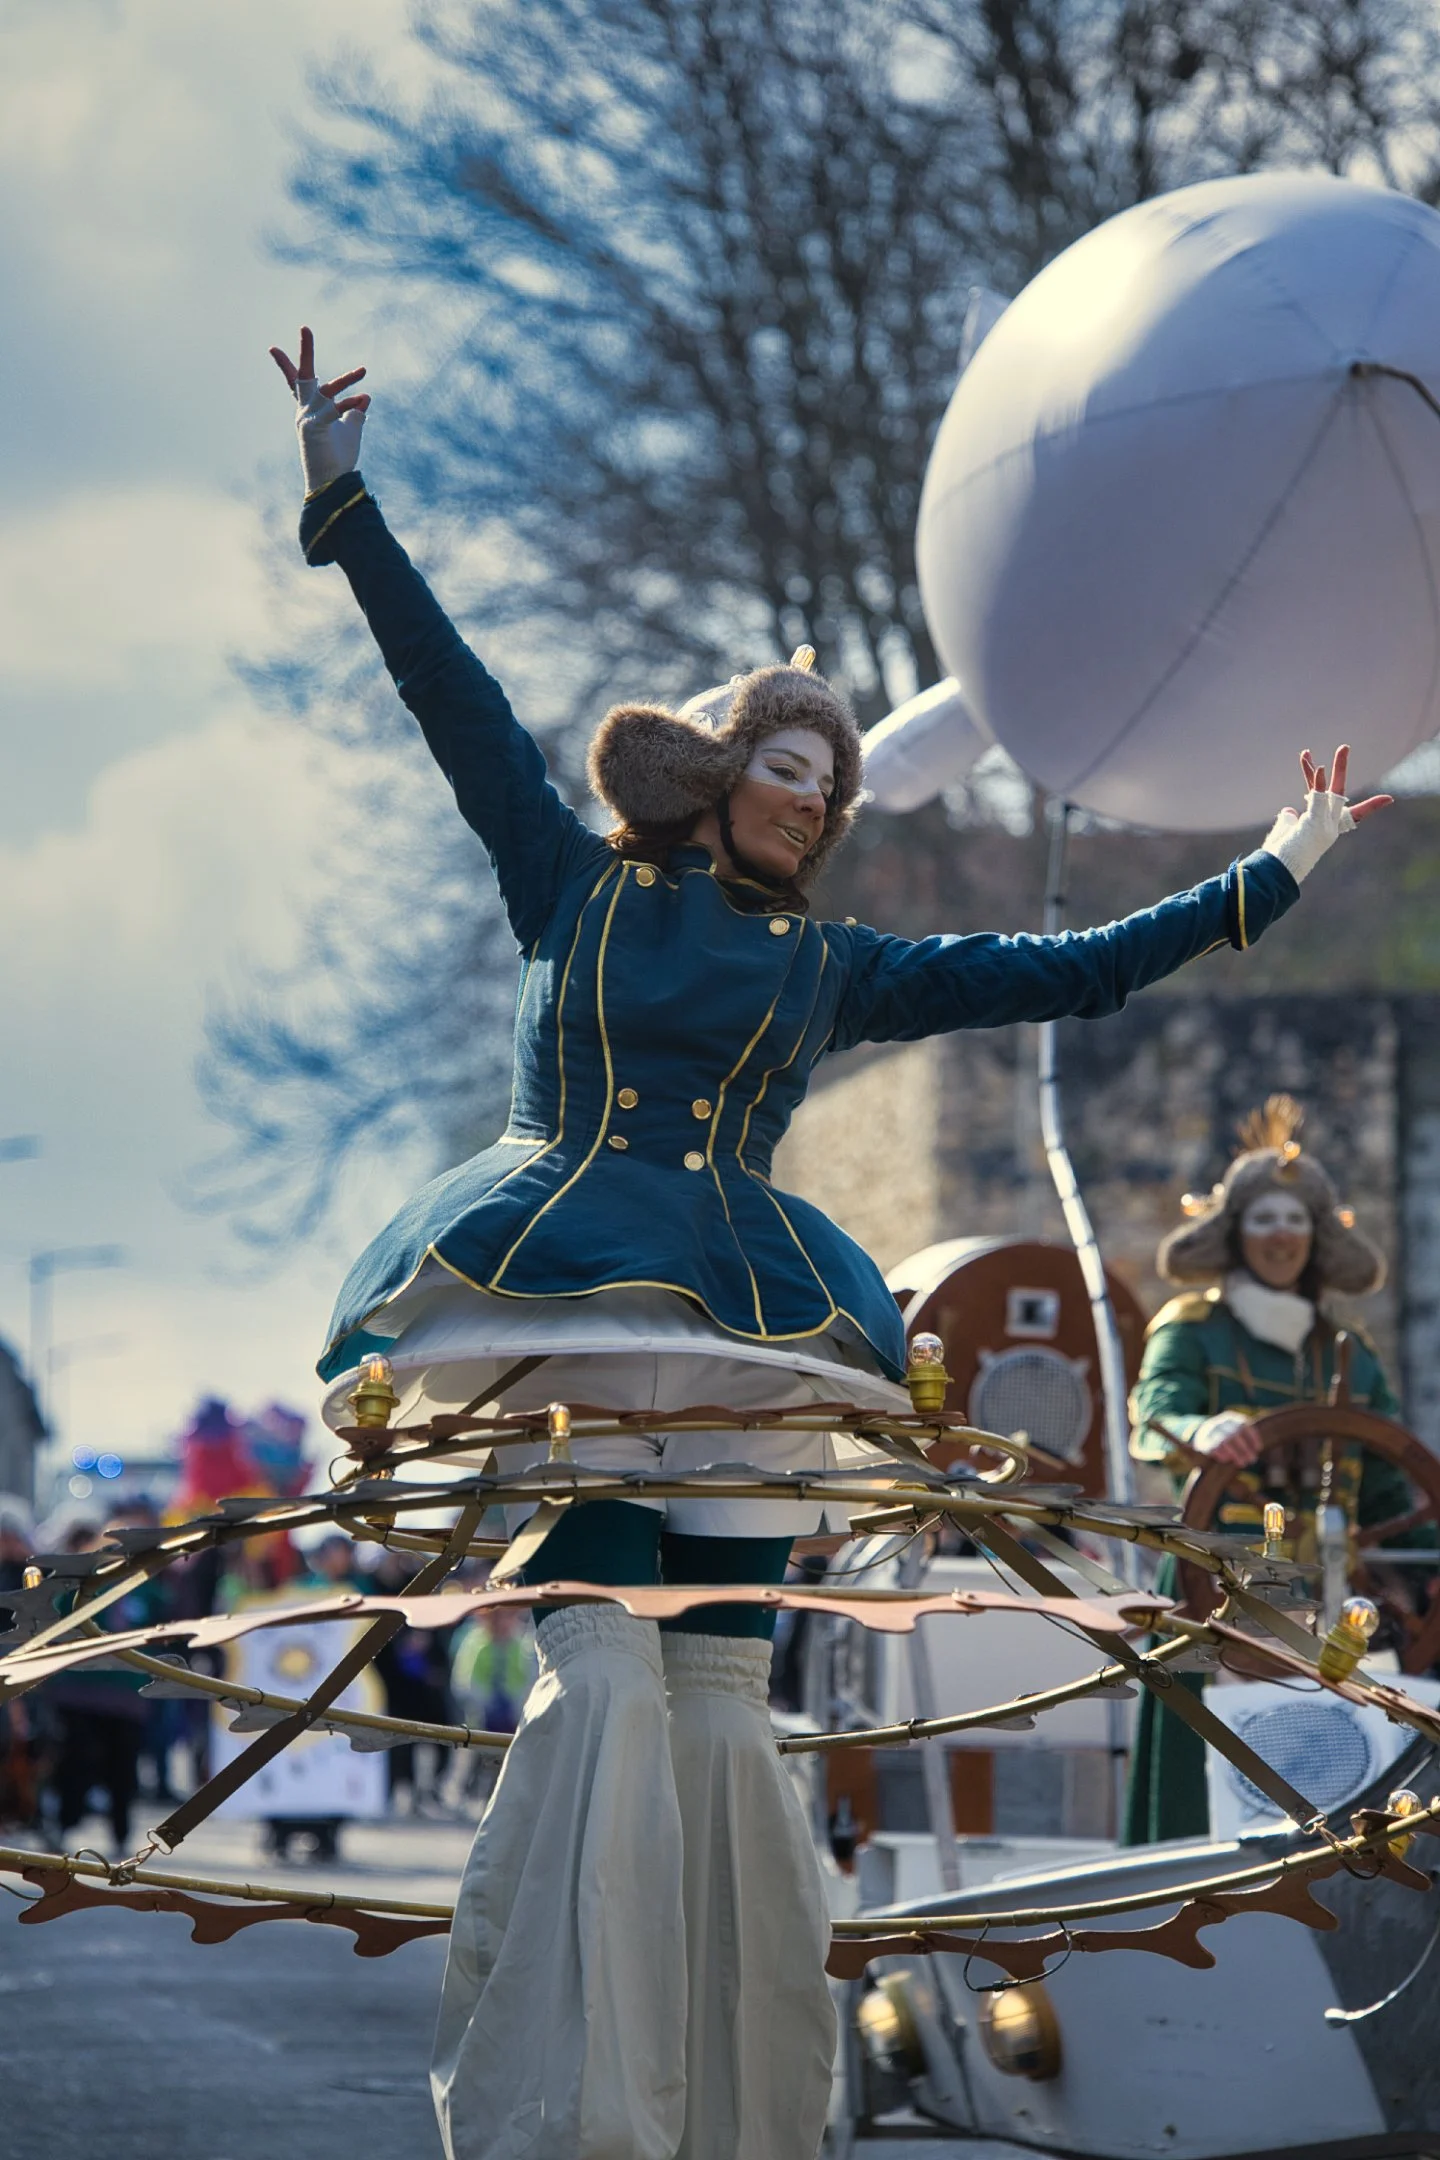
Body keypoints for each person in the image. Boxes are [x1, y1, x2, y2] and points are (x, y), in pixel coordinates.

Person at [272, 325, 1386, 2160]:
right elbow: (451, 694)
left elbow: (1074, 971)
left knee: (718, 1699)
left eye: (835, 781)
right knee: (607, 1673)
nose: (814, 792)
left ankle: (729, 2112)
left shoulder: (834, 963)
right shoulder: (575, 883)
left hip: (744, 1339)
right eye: (788, 761)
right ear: (718, 773)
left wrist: (1273, 867)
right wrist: (344, 502)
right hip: (554, 1300)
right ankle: (567, 2109)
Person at [1125, 1096, 1431, 1843]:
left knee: (1343, 1748)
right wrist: (1206, 1428)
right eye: (1264, 1219)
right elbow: (1154, 1412)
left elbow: (1388, 1470)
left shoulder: (1346, 1348)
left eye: (1295, 1220)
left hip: (1335, 1581)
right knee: (1204, 1758)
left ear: (1317, 1239)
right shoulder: (1192, 1329)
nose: (1281, 1235)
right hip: (1214, 1577)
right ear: (1236, 1234)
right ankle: (1188, 1872)